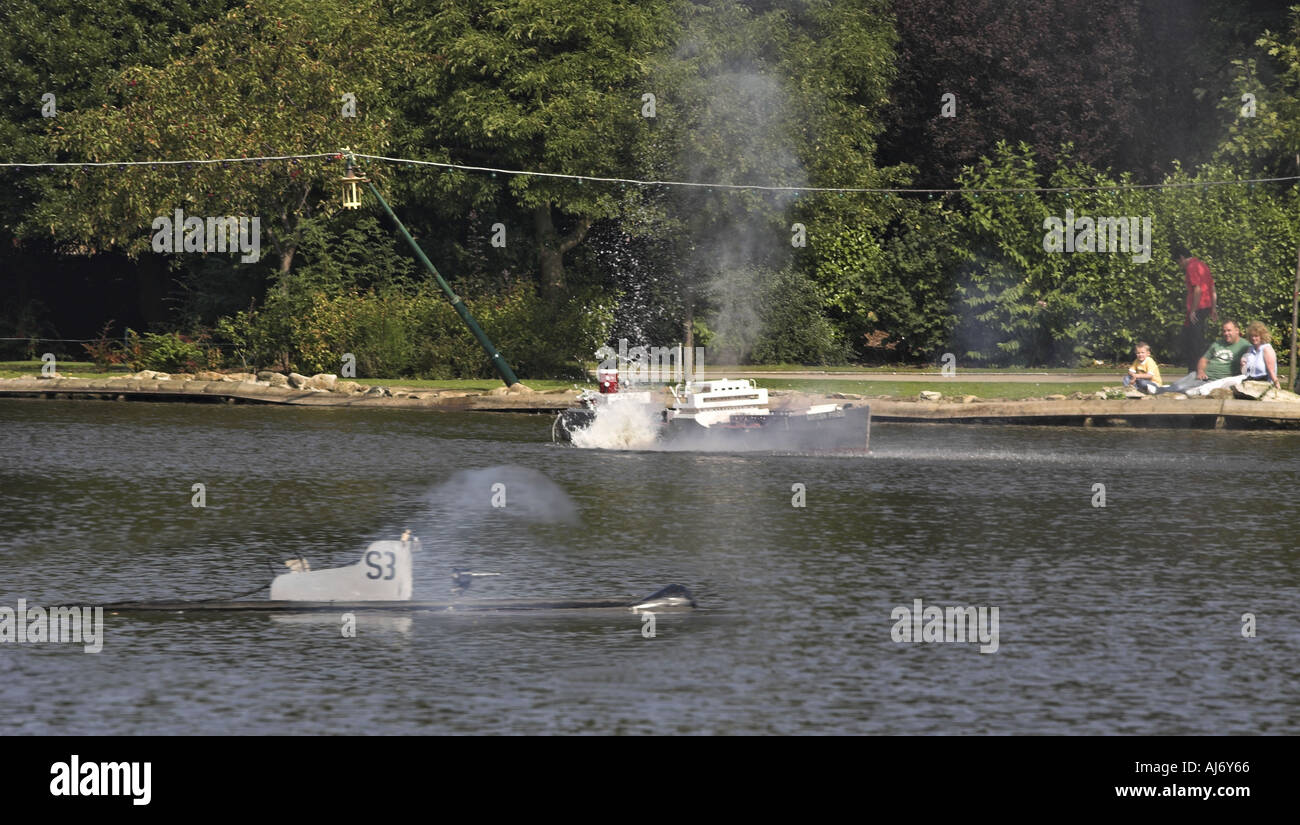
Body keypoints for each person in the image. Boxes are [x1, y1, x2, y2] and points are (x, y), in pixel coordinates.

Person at [1158, 320, 1249, 395]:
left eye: (1229, 330)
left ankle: (1157, 391)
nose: (1226, 333)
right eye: (1224, 331)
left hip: (1213, 380)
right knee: (1177, 384)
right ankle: (1157, 390)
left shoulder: (1245, 346)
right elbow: (1204, 359)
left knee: (1182, 388)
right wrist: (1200, 371)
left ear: (1237, 330)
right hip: (1201, 375)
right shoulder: (1218, 343)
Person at [1173, 245, 1216, 372]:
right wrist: (1213, 308)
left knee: (1193, 343)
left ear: (1181, 257)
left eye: (1178, 262)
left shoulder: (1191, 267)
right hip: (1206, 307)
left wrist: (1193, 310)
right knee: (1199, 340)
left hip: (1197, 308)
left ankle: (1194, 372)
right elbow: (1212, 288)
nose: (1179, 265)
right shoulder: (1202, 265)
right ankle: (1199, 370)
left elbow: (1197, 289)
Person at [1239, 320, 1280, 388]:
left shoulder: (1267, 349)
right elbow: (1244, 372)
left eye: (1256, 336)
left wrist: (1277, 385)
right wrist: (1242, 365)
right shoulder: (1250, 349)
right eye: (1252, 336)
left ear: (1262, 336)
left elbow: (1271, 371)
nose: (1253, 338)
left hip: (1264, 384)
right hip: (1249, 382)